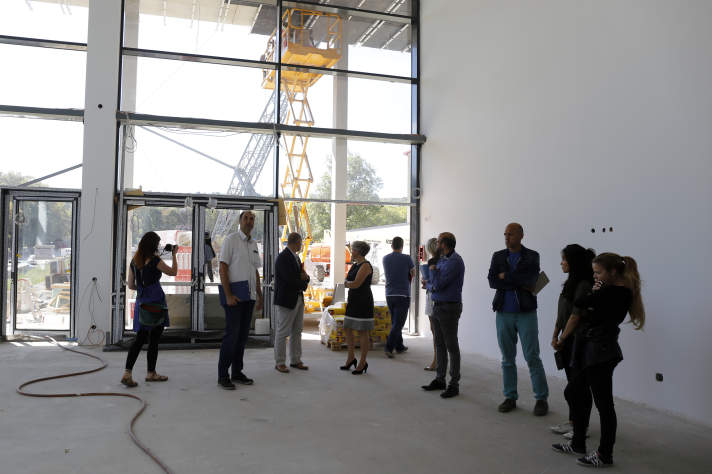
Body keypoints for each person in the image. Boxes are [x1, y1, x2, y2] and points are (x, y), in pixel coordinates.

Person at [552, 253, 645, 468]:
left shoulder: (618, 292)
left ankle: (604, 455)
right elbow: (586, 306)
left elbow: (582, 302)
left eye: (598, 272)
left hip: (601, 353)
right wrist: (592, 299)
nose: (595, 276)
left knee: (604, 406)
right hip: (594, 350)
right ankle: (578, 443)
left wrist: (593, 295)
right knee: (575, 392)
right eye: (594, 272)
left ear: (613, 272)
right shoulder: (610, 290)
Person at [488, 223, 549, 415]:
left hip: (526, 313)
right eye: (505, 234)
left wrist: (506, 276)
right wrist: (515, 279)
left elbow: (531, 280)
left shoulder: (532, 256)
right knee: (507, 358)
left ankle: (541, 398)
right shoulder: (498, 255)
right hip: (503, 312)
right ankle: (510, 397)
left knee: (532, 356)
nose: (507, 238)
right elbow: (492, 280)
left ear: (521, 235)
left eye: (511, 234)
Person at [549, 244, 596, 439]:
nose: (561, 263)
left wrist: (562, 337)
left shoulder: (583, 285)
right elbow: (562, 314)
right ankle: (573, 422)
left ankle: (581, 428)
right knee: (573, 382)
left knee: (579, 386)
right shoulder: (570, 283)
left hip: (579, 341)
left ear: (573, 262)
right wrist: (555, 335)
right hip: (568, 341)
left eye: (564, 259)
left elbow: (575, 317)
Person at [121, 231, 176, 388]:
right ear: (153, 245)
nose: (159, 246)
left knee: (139, 338)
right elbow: (173, 272)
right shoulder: (155, 260)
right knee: (154, 339)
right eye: (157, 243)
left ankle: (127, 372)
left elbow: (131, 285)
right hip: (156, 302)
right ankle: (151, 373)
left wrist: (143, 288)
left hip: (142, 302)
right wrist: (174, 255)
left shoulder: (134, 261)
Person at [217, 211, 263, 390]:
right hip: (235, 298)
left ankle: (237, 372)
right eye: (246, 218)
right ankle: (223, 375)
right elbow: (222, 268)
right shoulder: (231, 240)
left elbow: (255, 272)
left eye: (252, 219)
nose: (249, 221)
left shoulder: (253, 244)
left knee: (242, 337)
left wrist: (259, 295)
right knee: (231, 336)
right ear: (240, 221)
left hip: (249, 297)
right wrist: (228, 295)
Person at [421, 232, 465, 399]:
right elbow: (435, 284)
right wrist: (430, 282)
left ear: (444, 244)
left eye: (438, 242)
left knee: (451, 345)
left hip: (449, 307)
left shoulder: (454, 262)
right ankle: (440, 379)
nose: (436, 244)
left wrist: (431, 273)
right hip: (438, 305)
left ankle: (454, 383)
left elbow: (438, 284)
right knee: (439, 343)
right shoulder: (443, 260)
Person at [273, 232, 310, 373]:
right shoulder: (283, 258)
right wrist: (304, 280)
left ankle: (295, 360)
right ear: (295, 242)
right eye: (300, 243)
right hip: (286, 300)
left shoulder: (296, 257)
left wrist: (305, 279)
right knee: (283, 332)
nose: (301, 245)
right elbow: (289, 279)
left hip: (298, 298)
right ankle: (280, 362)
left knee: (297, 331)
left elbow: (303, 276)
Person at [340, 241, 374, 375]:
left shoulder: (365, 266)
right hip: (353, 301)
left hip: (363, 302)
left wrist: (346, 284)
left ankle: (362, 362)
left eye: (352, 250)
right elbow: (350, 282)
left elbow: (356, 284)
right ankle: (351, 358)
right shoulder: (355, 265)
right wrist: (347, 283)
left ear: (359, 251)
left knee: (362, 332)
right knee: (347, 328)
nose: (351, 252)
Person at [382, 236, 415, 358]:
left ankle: (399, 345)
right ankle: (389, 347)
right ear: (402, 246)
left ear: (392, 246)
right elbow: (413, 273)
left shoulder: (385, 259)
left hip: (389, 294)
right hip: (402, 294)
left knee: (395, 321)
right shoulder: (406, 258)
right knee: (399, 323)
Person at [423, 237, 439, 371]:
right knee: (436, 330)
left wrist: (426, 282)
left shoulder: (433, 262)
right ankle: (438, 359)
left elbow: (434, 283)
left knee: (435, 330)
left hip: (432, 297)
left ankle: (437, 360)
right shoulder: (444, 261)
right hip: (432, 295)